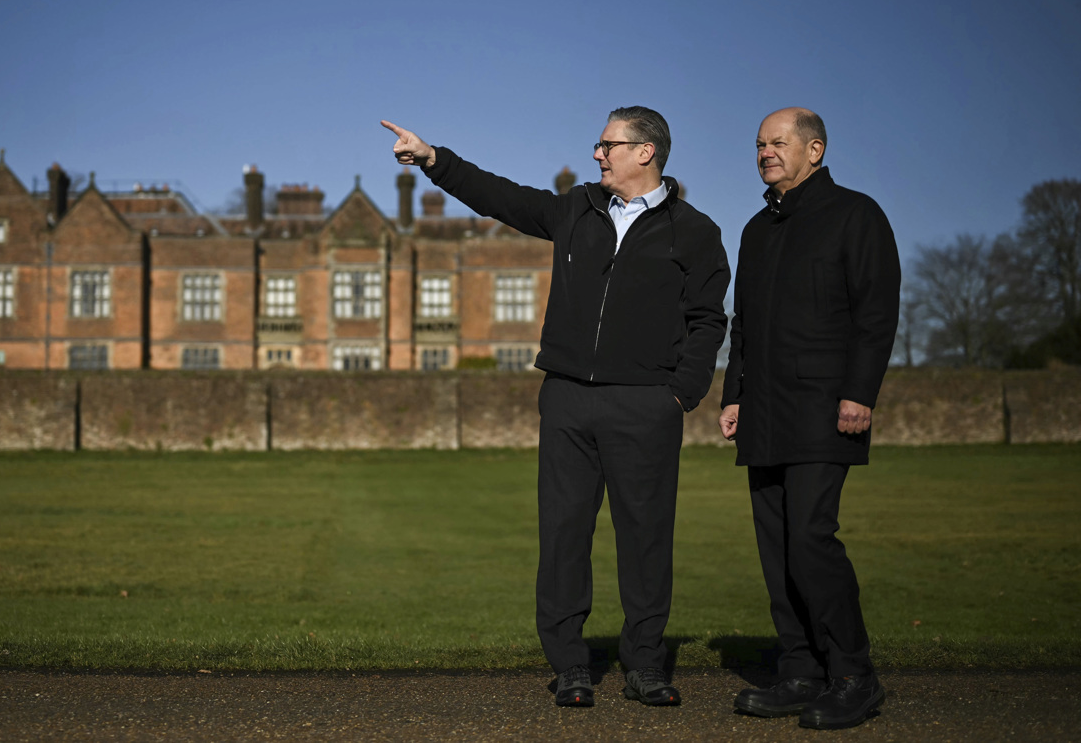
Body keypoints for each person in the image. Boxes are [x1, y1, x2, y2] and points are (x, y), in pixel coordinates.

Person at [383, 108, 729, 708]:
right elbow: (504, 199)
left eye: (608, 144)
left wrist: (679, 395)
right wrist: (435, 159)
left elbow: (707, 319)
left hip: (645, 405)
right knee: (564, 535)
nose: (597, 153)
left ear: (645, 152)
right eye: (598, 145)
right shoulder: (576, 210)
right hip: (568, 398)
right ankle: (571, 664)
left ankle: (645, 665)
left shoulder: (694, 231)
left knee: (645, 539)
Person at [719, 107, 900, 730]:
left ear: (814, 150)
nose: (766, 152)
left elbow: (876, 313)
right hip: (764, 411)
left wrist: (860, 393)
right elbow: (742, 324)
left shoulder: (857, 215)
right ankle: (799, 671)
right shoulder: (755, 229)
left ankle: (853, 675)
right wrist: (732, 394)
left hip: (826, 408)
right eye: (760, 144)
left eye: (779, 142)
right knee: (776, 549)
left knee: (811, 542)